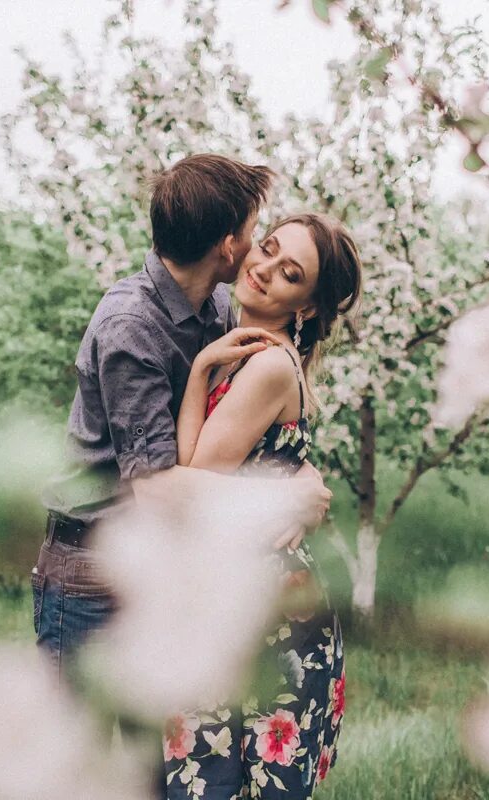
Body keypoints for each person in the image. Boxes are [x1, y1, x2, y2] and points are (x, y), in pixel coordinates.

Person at [33, 155, 332, 681]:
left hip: (160, 563)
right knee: (75, 750)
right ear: (227, 246)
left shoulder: (218, 303)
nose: (258, 247)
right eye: (255, 232)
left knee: (158, 760)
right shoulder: (131, 327)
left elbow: (256, 425)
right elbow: (156, 489)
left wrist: (300, 471)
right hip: (91, 568)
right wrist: (283, 495)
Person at [162, 213, 362, 799]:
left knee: (226, 781)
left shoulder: (268, 365)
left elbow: (193, 483)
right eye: (268, 249)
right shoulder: (239, 347)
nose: (266, 269)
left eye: (291, 273)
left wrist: (198, 372)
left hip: (260, 609)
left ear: (305, 306)